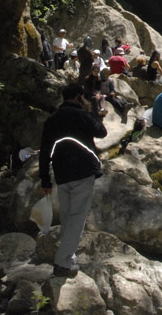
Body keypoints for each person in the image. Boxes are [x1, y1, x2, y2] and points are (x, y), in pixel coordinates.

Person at [39, 83, 107, 277]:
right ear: (79, 97)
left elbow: (44, 151)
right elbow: (101, 132)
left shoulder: (53, 119)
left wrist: (45, 179)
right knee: (77, 219)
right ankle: (63, 263)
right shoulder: (83, 115)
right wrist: (90, 111)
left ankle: (70, 257)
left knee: (68, 217)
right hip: (83, 172)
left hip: (61, 173)